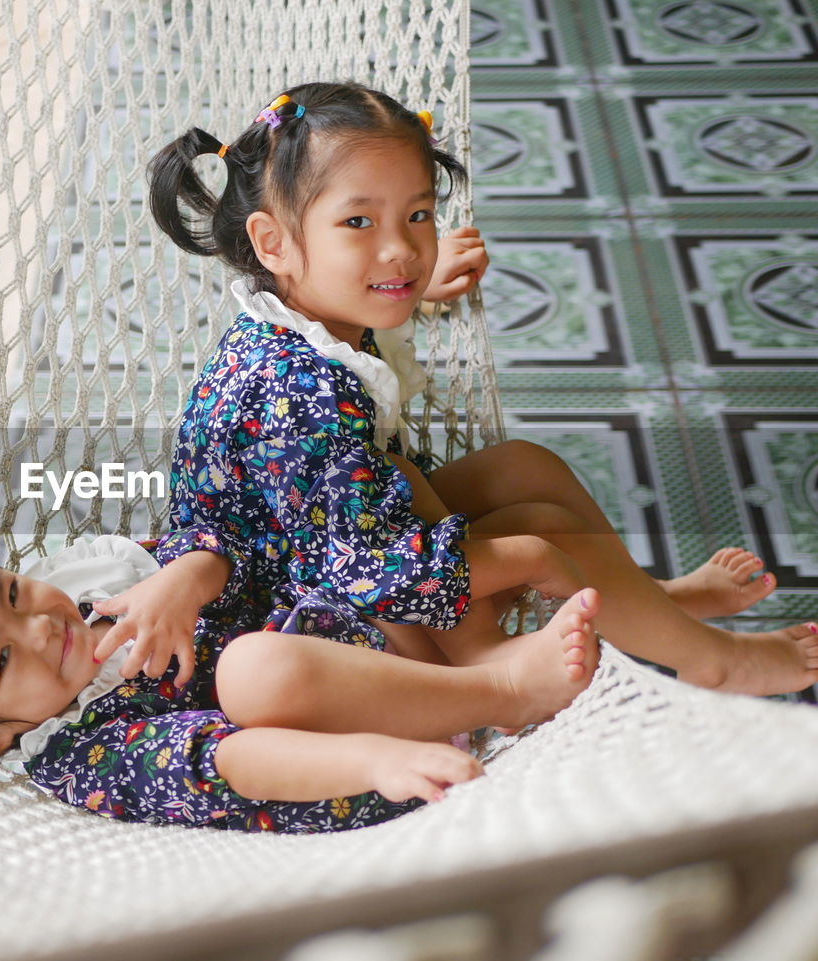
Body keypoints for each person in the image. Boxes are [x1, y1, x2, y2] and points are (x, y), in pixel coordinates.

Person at [146, 80, 818, 695]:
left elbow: (352, 515)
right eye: (359, 223)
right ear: (273, 243)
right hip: (313, 625)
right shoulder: (299, 395)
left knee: (524, 466)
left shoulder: (303, 313)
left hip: (327, 543)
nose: (401, 250)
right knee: (542, 531)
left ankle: (646, 600)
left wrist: (403, 292)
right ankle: (702, 657)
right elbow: (364, 572)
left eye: (417, 216)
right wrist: (523, 555)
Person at [0, 521, 601, 833]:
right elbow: (224, 762)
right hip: (353, 759)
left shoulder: (95, 592)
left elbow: (225, 540)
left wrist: (183, 578)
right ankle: (505, 693)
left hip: (371, 645)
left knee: (446, 510)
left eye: (12, 592)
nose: (40, 623)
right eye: (5, 657)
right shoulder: (81, 753)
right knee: (255, 672)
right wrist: (372, 760)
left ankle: (646, 604)